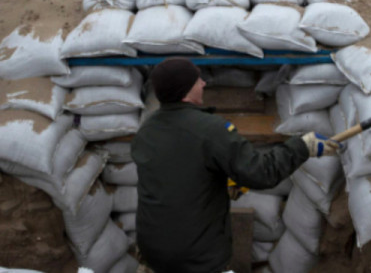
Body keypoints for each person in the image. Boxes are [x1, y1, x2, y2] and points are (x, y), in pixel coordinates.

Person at [131, 57, 339, 273]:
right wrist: (303, 146)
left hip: (153, 254)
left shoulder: (146, 132)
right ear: (185, 90)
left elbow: (176, 175)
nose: (203, 83)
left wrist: (220, 185)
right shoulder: (211, 130)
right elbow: (260, 173)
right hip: (196, 260)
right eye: (197, 80)